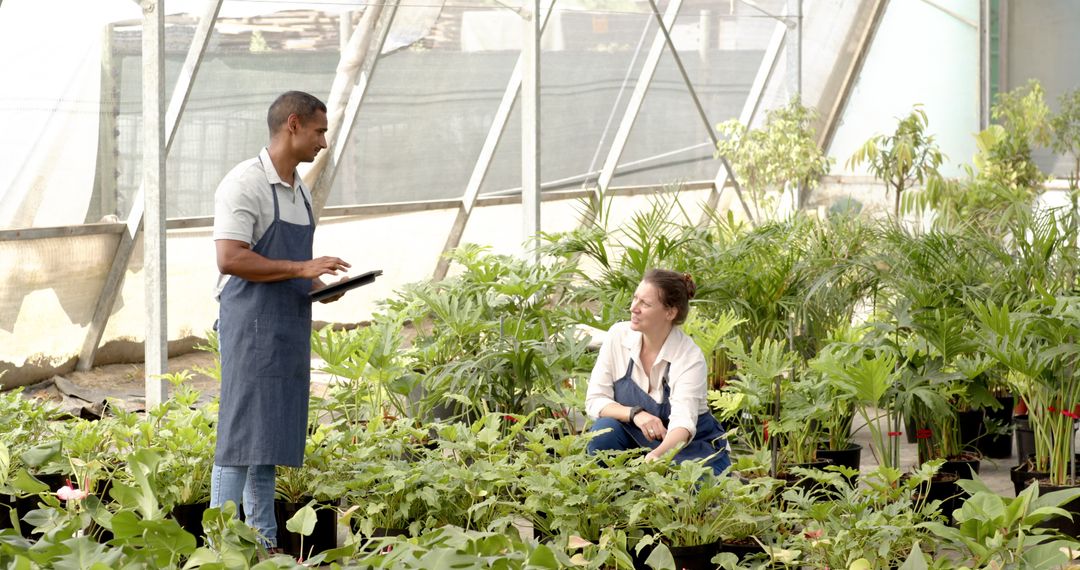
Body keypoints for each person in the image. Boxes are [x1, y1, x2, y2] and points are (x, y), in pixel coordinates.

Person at [211, 90, 350, 551]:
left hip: (287, 324)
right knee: (238, 441)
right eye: (319, 131)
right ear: (293, 124)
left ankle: (265, 542)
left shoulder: (300, 191)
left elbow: (293, 266)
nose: (323, 142)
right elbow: (231, 259)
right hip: (250, 324)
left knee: (268, 441)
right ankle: (223, 547)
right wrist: (300, 270)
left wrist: (321, 287)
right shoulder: (245, 183)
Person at [584, 269, 731, 475]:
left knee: (691, 489)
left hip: (688, 447)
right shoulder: (618, 336)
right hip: (634, 436)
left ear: (670, 313)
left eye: (645, 303)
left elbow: (683, 424)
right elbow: (595, 400)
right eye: (635, 299)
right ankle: (616, 495)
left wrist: (656, 457)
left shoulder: (688, 356)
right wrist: (635, 414)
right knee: (604, 431)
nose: (634, 308)